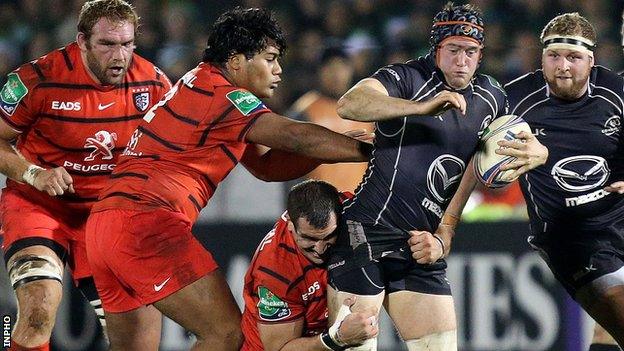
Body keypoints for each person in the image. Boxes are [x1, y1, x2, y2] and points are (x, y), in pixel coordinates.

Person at [84, 7, 372, 351]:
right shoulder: (224, 96)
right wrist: (369, 150)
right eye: (270, 58)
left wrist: (328, 151)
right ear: (236, 61)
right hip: (146, 224)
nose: (278, 69)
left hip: (106, 226)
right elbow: (294, 136)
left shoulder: (201, 86)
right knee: (225, 334)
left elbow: (267, 167)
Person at [325, 3, 548, 350]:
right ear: (437, 49)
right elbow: (350, 104)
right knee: (356, 344)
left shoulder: (491, 97)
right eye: (453, 50)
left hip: (421, 245)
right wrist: (420, 108)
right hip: (366, 232)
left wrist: (444, 233)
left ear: (481, 54)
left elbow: (478, 165)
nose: (462, 60)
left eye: (470, 52)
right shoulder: (408, 77)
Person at [0, 1, 171, 350]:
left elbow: (171, 154)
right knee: (38, 307)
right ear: (82, 41)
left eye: (126, 44)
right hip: (39, 206)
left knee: (135, 338)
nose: (119, 55)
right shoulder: (38, 79)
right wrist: (34, 173)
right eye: (108, 44)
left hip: (106, 218)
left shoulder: (153, 84)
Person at [501, 12, 624, 350]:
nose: (563, 67)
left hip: (619, 218)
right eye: (553, 56)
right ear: (541, 58)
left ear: (591, 60)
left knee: (608, 332)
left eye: (574, 57)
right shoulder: (513, 102)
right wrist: (449, 224)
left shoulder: (615, 92)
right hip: (571, 237)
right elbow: (476, 161)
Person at [241, 180, 377, 350]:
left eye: (328, 236)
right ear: (290, 223)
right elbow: (280, 348)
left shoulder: (353, 211)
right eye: (309, 239)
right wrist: (337, 338)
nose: (320, 249)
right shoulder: (276, 271)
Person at [288, 47, 374, 193]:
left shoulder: (366, 109)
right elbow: (290, 164)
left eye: (342, 67)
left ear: (350, 70)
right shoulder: (304, 111)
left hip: (359, 203)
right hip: (318, 204)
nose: (337, 74)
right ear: (319, 71)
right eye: (330, 68)